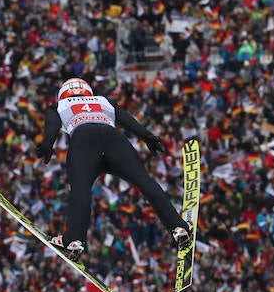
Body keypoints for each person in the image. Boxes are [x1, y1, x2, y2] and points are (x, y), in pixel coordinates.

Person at [35, 77, 192, 260]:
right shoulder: (103, 100)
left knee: (80, 191)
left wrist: (48, 144)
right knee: (144, 181)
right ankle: (178, 226)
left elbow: (52, 125)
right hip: (114, 140)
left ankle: (74, 240)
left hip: (84, 141)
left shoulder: (59, 105)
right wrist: (147, 136)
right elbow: (126, 119)